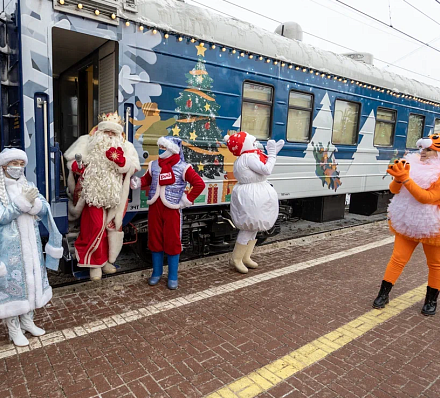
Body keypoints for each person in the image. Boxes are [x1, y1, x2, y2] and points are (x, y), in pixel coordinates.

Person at [373, 132, 440, 316]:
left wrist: (405, 178)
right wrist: (398, 179)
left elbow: (427, 198)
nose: (423, 152)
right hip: (408, 221)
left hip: (435, 225)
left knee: (436, 264)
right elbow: (394, 190)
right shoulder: (411, 164)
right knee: (398, 259)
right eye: (422, 148)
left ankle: (431, 301)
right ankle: (383, 294)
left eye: (429, 150)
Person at [0, 148, 63, 347]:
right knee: (12, 286)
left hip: (32, 245)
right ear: (3, 167)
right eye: (14, 164)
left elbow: (44, 209)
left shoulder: (30, 186)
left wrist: (34, 203)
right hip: (9, 248)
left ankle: (27, 321)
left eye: (21, 164)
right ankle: (14, 328)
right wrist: (22, 203)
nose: (18, 168)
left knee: (32, 282)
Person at [63, 113, 140, 281]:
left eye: (113, 132)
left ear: (119, 134)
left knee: (110, 228)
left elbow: (134, 167)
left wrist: (122, 163)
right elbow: (72, 163)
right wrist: (79, 166)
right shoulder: (88, 142)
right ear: (100, 131)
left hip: (114, 197)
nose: (110, 135)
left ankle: (105, 261)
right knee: (95, 228)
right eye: (107, 132)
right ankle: (94, 264)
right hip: (92, 194)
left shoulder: (126, 146)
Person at [130, 136, 205, 289]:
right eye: (160, 147)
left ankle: (172, 275)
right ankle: (157, 273)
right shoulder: (154, 165)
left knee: (172, 241)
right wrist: (137, 182)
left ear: (172, 149)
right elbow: (147, 180)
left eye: (163, 147)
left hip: (172, 209)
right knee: (154, 240)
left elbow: (199, 184)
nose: (160, 150)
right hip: (155, 207)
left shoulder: (183, 167)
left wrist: (186, 200)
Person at [223, 132, 284, 273]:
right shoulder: (249, 157)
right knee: (248, 226)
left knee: (253, 227)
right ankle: (236, 259)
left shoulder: (247, 157)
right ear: (245, 144)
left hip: (253, 193)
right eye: (254, 141)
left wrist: (272, 154)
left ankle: (245, 257)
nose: (256, 143)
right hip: (252, 196)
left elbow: (262, 166)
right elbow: (266, 169)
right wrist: (273, 155)